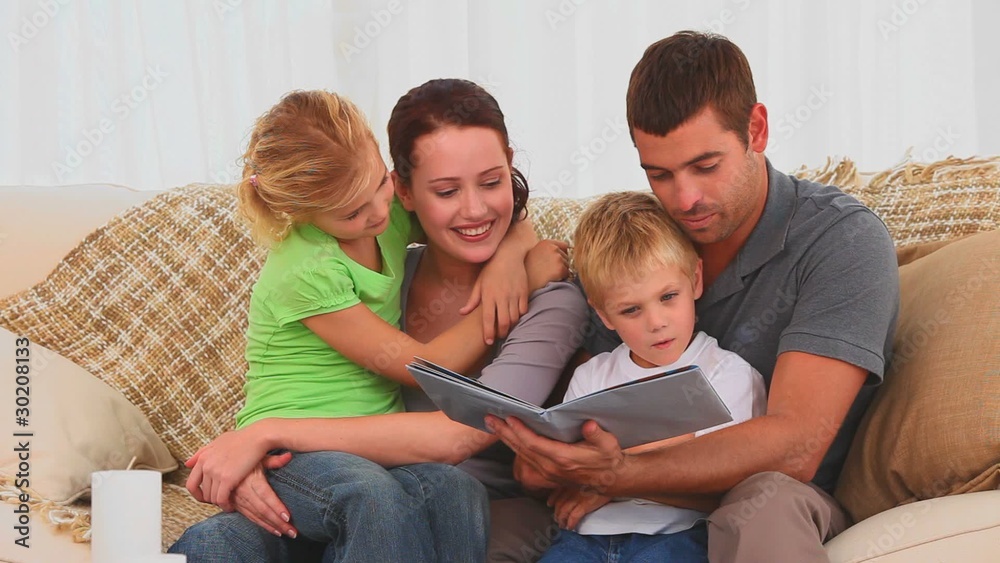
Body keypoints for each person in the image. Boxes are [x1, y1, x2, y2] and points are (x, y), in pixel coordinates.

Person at [486, 31, 899, 562]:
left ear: (757, 129)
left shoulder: (840, 241)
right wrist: (555, 463)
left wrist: (622, 475)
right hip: (612, 509)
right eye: (659, 174)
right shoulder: (644, 241)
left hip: (771, 494)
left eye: (706, 166)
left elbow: (796, 446)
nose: (685, 199)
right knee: (484, 520)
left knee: (762, 506)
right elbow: (588, 407)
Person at [169, 79, 589, 562]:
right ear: (413, 192)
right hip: (299, 457)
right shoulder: (310, 270)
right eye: (446, 190)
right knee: (248, 533)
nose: (376, 212)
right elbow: (427, 365)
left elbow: (459, 438)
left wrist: (511, 261)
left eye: (379, 187)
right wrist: (259, 438)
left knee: (453, 492)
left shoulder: (384, 222)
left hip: (378, 466)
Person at [536, 191, 767, 562]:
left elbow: (720, 482)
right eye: (631, 309)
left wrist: (610, 481)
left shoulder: (728, 374)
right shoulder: (591, 377)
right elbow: (574, 466)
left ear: (695, 280)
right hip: (587, 537)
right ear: (604, 315)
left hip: (678, 535)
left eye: (668, 297)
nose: (656, 322)